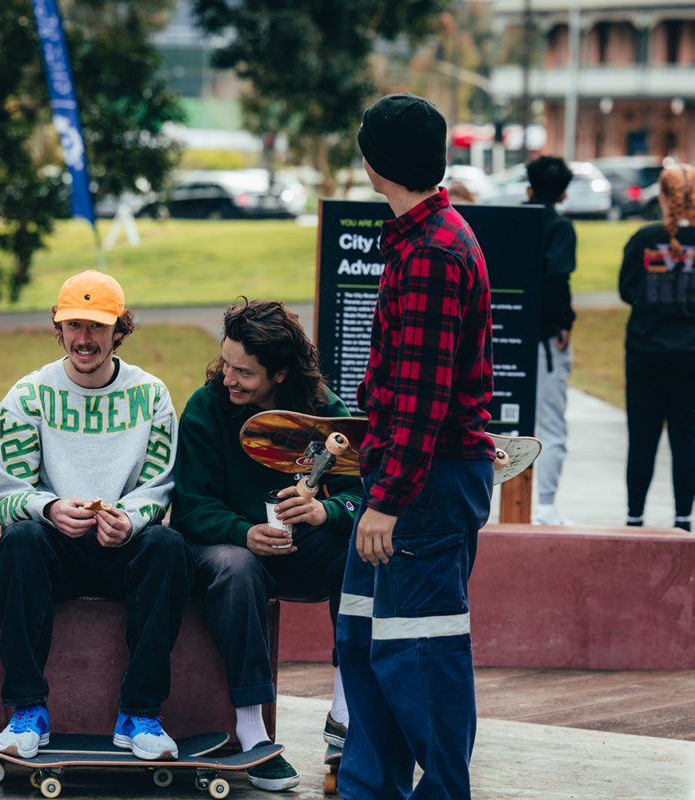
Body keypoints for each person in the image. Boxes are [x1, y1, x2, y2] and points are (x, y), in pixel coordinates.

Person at [338, 93, 496, 800]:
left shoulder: (433, 252)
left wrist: (387, 503)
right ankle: (369, 789)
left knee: (420, 660)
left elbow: (425, 401)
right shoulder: (420, 237)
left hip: (422, 492)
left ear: (374, 164)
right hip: (402, 483)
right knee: (367, 649)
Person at [0, 270, 191, 761]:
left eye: (97, 327)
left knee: (169, 547)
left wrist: (132, 520)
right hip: (55, 548)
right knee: (20, 543)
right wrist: (49, 507)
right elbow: (2, 496)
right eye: (74, 325)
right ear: (58, 328)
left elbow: (159, 486)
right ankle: (26, 710)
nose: (84, 339)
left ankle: (141, 715)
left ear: (120, 329)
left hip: (125, 546)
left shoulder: (152, 395)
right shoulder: (28, 396)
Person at [170, 300, 362, 791]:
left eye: (244, 372)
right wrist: (243, 532)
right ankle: (252, 734)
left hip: (301, 549)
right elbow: (190, 506)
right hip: (225, 552)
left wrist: (326, 511)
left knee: (360, 552)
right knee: (237, 568)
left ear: (280, 372)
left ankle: (344, 715)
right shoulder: (206, 408)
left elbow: (361, 494)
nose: (228, 379)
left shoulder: (322, 409)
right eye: (226, 363)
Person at [618, 162, 695, 531]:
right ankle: (683, 519)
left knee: (642, 438)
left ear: (663, 197)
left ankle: (635, 517)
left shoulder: (642, 239)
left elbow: (627, 290)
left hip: (645, 354)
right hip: (690, 356)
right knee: (687, 439)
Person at [525, 155, 577, 526]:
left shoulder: (512, 223)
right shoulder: (559, 228)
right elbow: (558, 279)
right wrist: (564, 321)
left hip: (504, 336)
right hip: (546, 340)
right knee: (551, 422)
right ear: (563, 194)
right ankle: (545, 505)